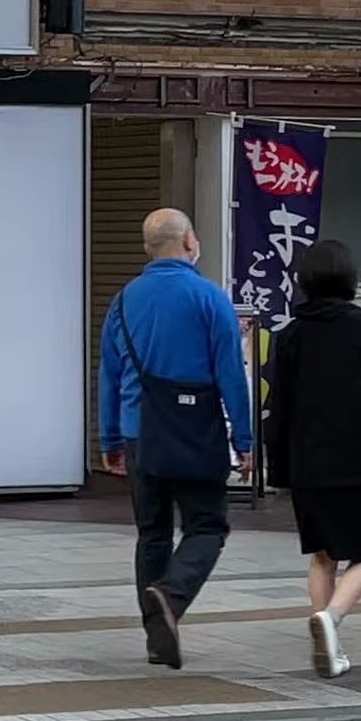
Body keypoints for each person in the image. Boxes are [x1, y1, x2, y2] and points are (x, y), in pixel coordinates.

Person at [97, 208, 254, 670]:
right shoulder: (210, 298)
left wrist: (109, 437)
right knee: (207, 526)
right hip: (194, 434)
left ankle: (156, 637)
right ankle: (171, 595)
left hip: (139, 433)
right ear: (188, 241)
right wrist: (243, 438)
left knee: (152, 534)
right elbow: (231, 373)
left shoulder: (123, 301)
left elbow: (108, 374)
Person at [259, 239, 361, 680]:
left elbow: (279, 406)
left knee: (322, 556)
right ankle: (331, 620)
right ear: (350, 278)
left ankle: (326, 641)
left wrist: (279, 469)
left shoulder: (289, 336)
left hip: (308, 463)